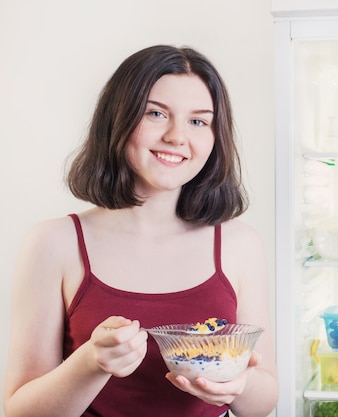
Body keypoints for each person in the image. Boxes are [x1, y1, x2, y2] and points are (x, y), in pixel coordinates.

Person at [3, 45, 278, 417]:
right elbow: (19, 411)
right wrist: (90, 363)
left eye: (199, 121)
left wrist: (238, 384)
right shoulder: (54, 243)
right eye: (156, 114)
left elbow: (264, 401)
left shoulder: (239, 243)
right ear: (117, 119)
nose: (177, 137)